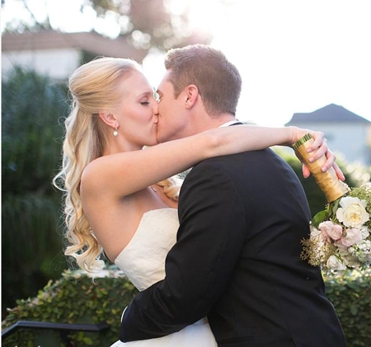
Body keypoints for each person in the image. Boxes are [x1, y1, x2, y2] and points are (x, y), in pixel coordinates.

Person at [52, 56, 342, 346]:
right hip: (173, 334)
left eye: (156, 97)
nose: (156, 109)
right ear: (110, 117)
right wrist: (291, 135)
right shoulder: (100, 175)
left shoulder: (161, 182)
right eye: (144, 102)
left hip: (214, 331)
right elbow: (213, 142)